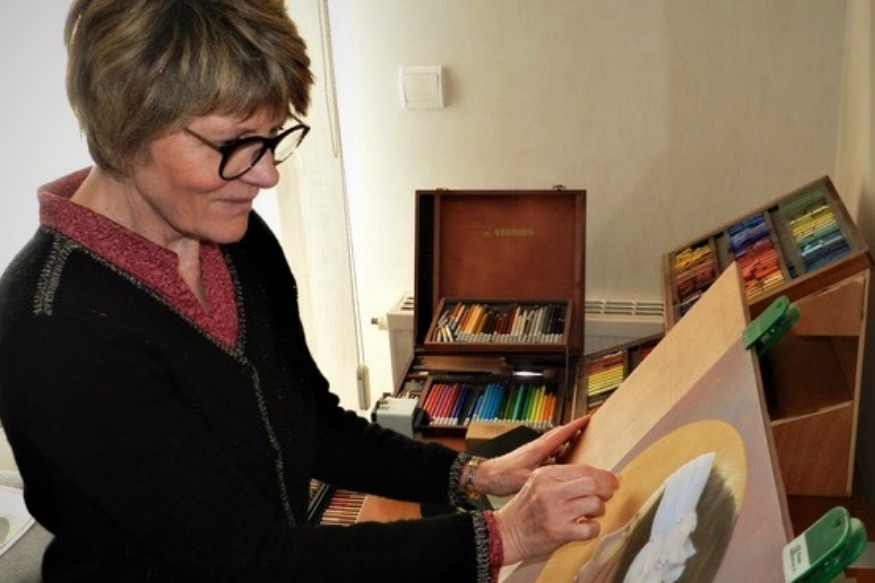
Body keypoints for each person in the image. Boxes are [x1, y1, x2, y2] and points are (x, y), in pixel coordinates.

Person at [0, 1, 618, 582]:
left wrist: (473, 475)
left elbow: (310, 423)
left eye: (273, 137)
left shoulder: (237, 239)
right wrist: (506, 534)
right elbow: (250, 562)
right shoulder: (52, 329)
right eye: (234, 143)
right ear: (126, 123)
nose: (266, 174)